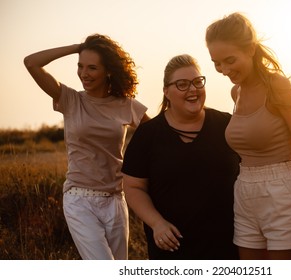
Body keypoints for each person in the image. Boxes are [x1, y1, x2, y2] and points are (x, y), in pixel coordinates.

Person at [205, 12, 291, 260]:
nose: (224, 69)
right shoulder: (235, 92)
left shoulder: (277, 85)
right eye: (217, 63)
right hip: (244, 195)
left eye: (229, 60)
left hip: (282, 196)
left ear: (250, 49)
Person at [24, 34, 148, 260]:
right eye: (80, 66)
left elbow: (156, 134)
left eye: (92, 68)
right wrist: (77, 47)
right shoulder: (70, 99)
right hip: (79, 199)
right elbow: (31, 62)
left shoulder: (126, 105)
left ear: (108, 71)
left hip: (116, 199)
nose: (83, 74)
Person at [121, 54, 240, 260]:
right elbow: (133, 187)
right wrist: (157, 223)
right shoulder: (148, 134)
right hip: (172, 248)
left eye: (197, 82)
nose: (192, 89)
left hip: (227, 246)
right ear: (166, 92)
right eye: (182, 84)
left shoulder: (227, 125)